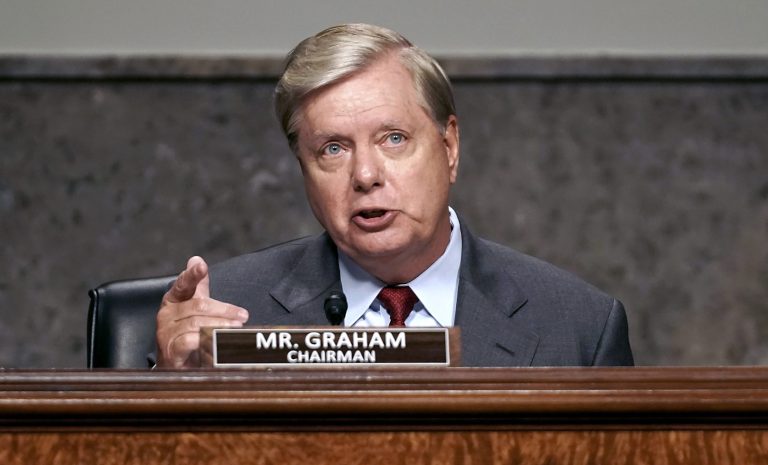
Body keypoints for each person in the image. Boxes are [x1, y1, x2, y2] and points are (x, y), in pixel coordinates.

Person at [155, 23, 633, 369]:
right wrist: (171, 388)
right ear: (303, 168)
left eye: (394, 139)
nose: (365, 175)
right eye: (333, 148)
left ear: (449, 147)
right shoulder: (226, 314)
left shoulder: (578, 327)